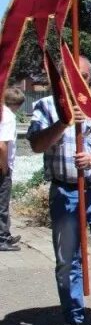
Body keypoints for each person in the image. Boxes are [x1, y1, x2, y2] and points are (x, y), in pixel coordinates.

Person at [27, 56, 91, 325]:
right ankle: (72, 314)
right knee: (67, 258)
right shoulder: (44, 106)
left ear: (89, 78)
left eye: (81, 75)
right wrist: (64, 122)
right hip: (65, 191)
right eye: (69, 75)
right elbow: (36, 144)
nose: (75, 81)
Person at [0, 87, 25, 252]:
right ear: (17, 104)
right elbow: (2, 145)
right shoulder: (8, 117)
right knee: (2, 203)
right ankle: (2, 238)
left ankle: (5, 234)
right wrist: (5, 167)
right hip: (1, 166)